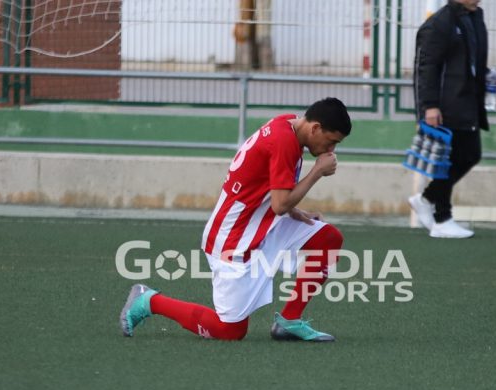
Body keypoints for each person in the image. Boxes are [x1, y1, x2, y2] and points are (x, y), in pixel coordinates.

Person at [119, 97, 352, 342]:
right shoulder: (285, 141)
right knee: (229, 331)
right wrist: (317, 172)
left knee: (328, 239)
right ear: (315, 128)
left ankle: (289, 322)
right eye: (331, 141)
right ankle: (148, 300)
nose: (331, 150)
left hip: (264, 223)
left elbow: (269, 186)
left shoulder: (288, 125)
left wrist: (296, 211)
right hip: (234, 237)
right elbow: (280, 204)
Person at [409, 0, 488, 238]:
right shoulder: (440, 22)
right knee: (450, 159)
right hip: (446, 105)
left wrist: (487, 74)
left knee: (470, 154)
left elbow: (470, 57)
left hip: (468, 100)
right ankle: (442, 218)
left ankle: (427, 199)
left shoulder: (475, 17)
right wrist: (429, 106)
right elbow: (426, 67)